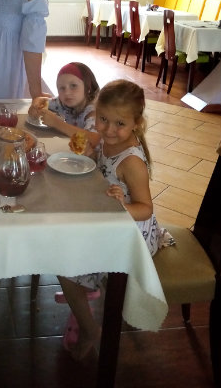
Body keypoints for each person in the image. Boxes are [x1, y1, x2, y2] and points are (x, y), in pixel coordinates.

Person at [59, 80, 173, 360]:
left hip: (130, 236)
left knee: (62, 264)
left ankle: (90, 328)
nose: (109, 129)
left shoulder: (131, 162)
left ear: (137, 123)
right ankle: (88, 291)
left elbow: (145, 208)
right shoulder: (107, 141)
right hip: (108, 221)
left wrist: (122, 205)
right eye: (103, 119)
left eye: (119, 123)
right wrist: (89, 155)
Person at [28, 62, 101, 152]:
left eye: (73, 86)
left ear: (88, 88)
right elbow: (42, 100)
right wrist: (35, 105)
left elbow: (94, 139)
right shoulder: (62, 103)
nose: (67, 93)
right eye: (62, 88)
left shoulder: (93, 111)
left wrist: (56, 123)